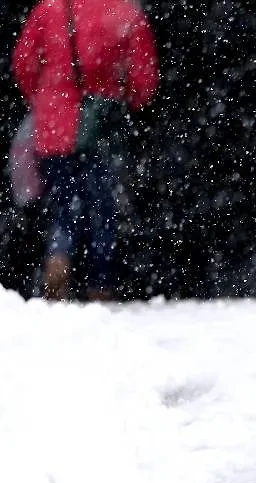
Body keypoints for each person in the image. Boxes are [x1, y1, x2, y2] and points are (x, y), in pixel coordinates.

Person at [12, 0, 159, 301]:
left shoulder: (49, 7)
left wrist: (45, 101)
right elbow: (144, 78)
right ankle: (100, 285)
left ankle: (58, 265)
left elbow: (23, 64)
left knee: (66, 205)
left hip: (53, 126)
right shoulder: (125, 11)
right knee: (103, 208)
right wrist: (125, 99)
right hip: (101, 127)